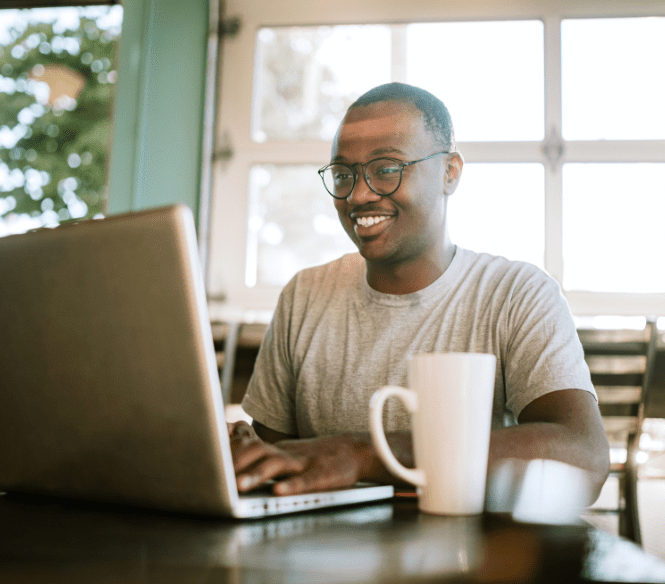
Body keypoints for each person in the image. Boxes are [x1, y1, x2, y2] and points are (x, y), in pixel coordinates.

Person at [228, 82, 610, 503]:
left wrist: (364, 453)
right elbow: (278, 466)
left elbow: (583, 457)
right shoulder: (305, 296)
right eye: (342, 175)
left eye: (386, 169)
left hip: (466, 559)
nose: (357, 194)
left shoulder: (516, 295)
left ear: (450, 173)